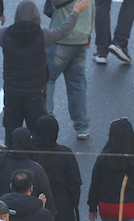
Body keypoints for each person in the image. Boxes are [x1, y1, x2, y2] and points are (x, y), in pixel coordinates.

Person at [0, 0, 85, 144]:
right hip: (35, 94)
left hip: (12, 93)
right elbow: (64, 30)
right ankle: (35, 161)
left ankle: (12, 160)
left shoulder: (5, 34)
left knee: (12, 132)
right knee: (37, 133)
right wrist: (75, 12)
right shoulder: (43, 36)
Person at [32, 115, 84, 221]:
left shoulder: (30, 154)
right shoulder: (65, 154)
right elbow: (74, 183)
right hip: (63, 208)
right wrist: (73, 203)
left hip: (35, 206)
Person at [45, 0, 94, 140]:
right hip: (81, 40)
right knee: (77, 85)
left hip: (60, 39)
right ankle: (82, 127)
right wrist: (88, 35)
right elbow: (92, 11)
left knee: (47, 80)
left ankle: (46, 125)